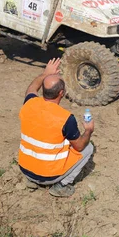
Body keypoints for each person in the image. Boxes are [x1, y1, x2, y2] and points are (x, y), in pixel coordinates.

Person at [18, 58, 95, 197]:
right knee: (88, 147)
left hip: (25, 170)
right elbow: (79, 146)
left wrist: (45, 74)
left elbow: (31, 88)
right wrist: (89, 130)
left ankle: (32, 181)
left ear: (43, 90)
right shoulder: (65, 118)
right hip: (47, 176)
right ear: (61, 93)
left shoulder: (29, 103)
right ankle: (61, 185)